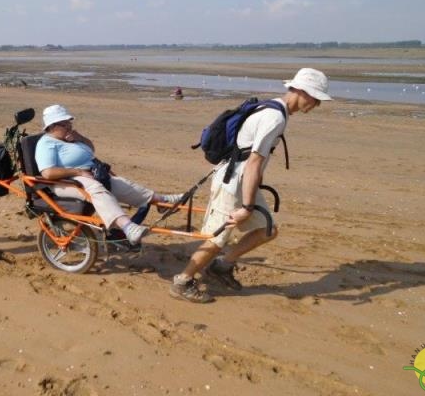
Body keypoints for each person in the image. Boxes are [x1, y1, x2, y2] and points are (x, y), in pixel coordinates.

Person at [169, 68, 333, 303]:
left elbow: (252, 160)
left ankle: (222, 266)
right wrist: (246, 206)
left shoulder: (275, 109)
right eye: (316, 98)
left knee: (268, 230)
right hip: (232, 183)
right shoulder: (275, 117)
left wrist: (253, 192)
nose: (316, 104)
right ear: (301, 91)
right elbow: (254, 162)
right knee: (217, 239)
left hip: (243, 182)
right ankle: (182, 281)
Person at [35, 105, 183, 244]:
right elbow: (48, 173)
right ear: (53, 126)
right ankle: (127, 227)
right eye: (65, 124)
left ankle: (161, 201)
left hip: (88, 173)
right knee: (96, 188)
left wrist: (79, 138)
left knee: (121, 183)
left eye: (69, 123)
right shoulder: (46, 144)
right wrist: (78, 171)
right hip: (65, 181)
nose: (69, 127)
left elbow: (90, 149)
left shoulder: (69, 138)